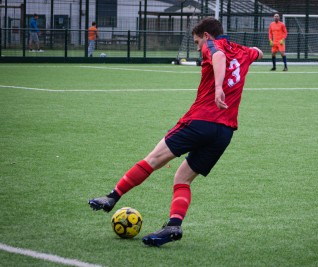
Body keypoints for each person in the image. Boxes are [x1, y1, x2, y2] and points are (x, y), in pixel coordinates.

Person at [88, 17, 263, 247]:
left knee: (153, 159)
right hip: (225, 131)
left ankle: (112, 197)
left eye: (197, 42)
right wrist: (246, 52)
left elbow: (219, 56)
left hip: (200, 121)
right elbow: (258, 52)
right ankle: (173, 226)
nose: (198, 48)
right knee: (182, 178)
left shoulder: (214, 47)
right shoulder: (242, 52)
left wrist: (219, 87)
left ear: (207, 37)